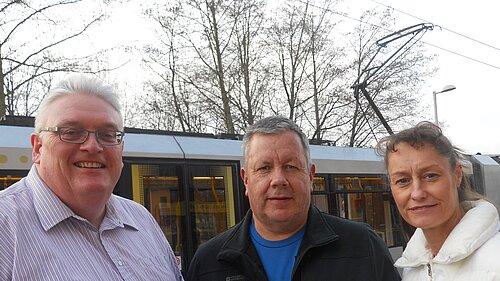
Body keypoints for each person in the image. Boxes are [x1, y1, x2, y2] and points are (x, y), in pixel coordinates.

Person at [0, 74, 183, 280]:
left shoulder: (141, 220)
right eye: (70, 132)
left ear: (120, 149)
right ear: (38, 148)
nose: (93, 147)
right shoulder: (5, 229)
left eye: (107, 135)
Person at [186, 116, 400, 281]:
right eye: (264, 168)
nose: (278, 180)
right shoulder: (208, 263)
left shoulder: (363, 247)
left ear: (310, 176)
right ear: (246, 180)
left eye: (290, 166)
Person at [376, 121, 500, 281]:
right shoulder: (412, 270)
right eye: (402, 181)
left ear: (457, 175)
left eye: (430, 176)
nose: (417, 193)